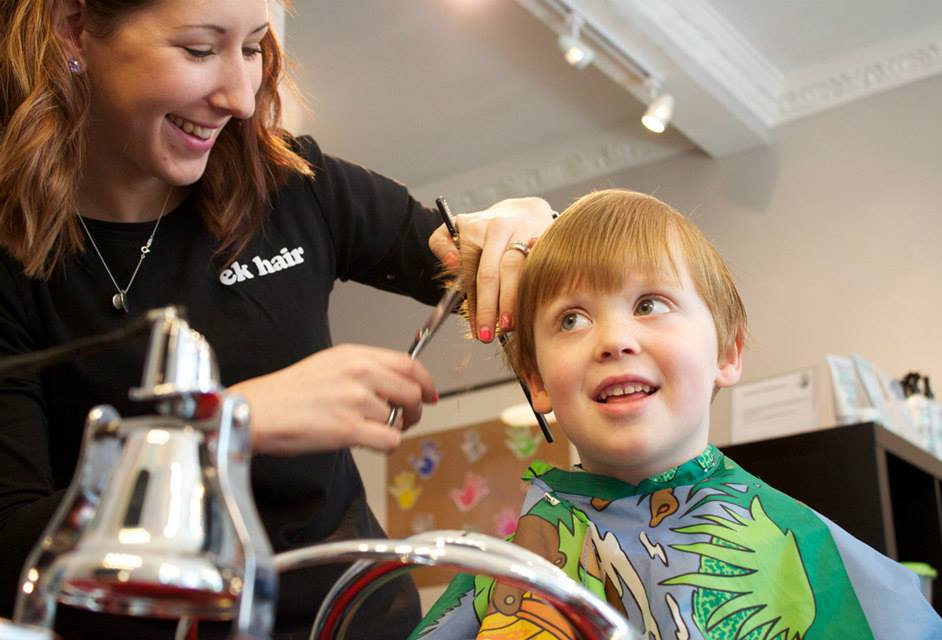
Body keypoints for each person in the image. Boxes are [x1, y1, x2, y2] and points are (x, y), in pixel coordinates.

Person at [0, 0, 555, 638]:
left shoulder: (293, 188)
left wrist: (529, 233)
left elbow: (484, 260)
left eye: (254, 46)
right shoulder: (10, 269)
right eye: (200, 50)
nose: (240, 97)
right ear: (72, 27)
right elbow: (14, 546)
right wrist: (227, 426)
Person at [412, 189, 942, 640]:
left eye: (648, 305)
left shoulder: (811, 554)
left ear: (727, 352)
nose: (614, 340)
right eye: (572, 319)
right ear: (537, 380)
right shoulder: (505, 580)